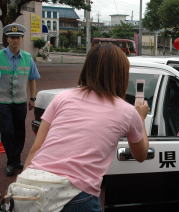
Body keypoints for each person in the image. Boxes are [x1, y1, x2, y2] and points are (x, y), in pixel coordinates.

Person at [6, 44, 150, 212]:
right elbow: (141, 155)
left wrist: (25, 182)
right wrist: (140, 118)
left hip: (30, 186)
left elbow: (36, 148)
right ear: (121, 75)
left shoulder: (62, 98)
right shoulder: (127, 111)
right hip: (76, 195)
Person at [0, 23, 40, 176]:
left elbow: (32, 79)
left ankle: (16, 160)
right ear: (7, 39)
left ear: (22, 39)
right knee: (7, 132)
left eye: (17, 37)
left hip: (20, 102)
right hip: (3, 102)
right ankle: (12, 162)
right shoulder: (0, 56)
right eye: (12, 37)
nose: (15, 40)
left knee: (20, 132)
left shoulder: (28, 58)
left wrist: (33, 98)